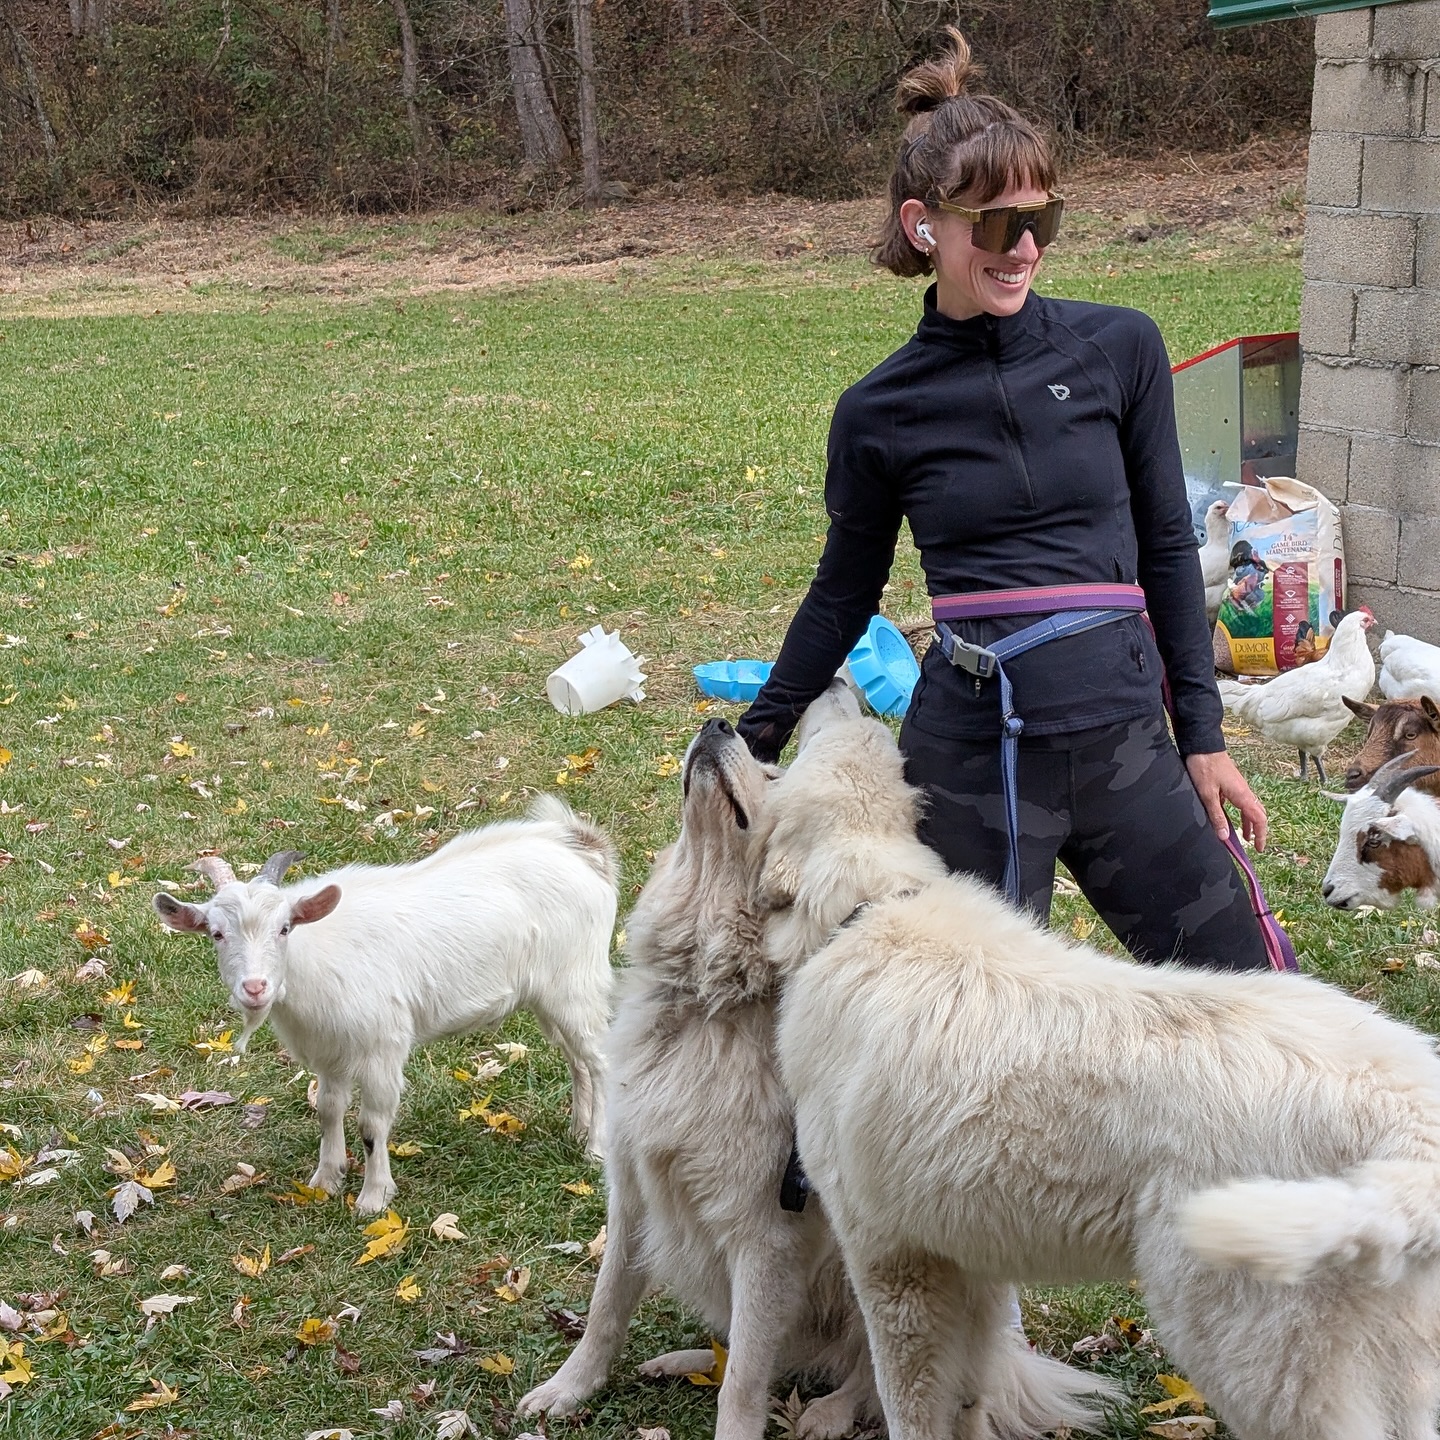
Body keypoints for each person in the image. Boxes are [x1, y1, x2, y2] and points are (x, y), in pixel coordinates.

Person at [737, 27, 1270, 972]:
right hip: (972, 756)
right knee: (950, 1024)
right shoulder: (879, 410)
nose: (1022, 248)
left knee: (1247, 1001)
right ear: (924, 225)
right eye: (992, 225)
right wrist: (754, 744)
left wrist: (1203, 736)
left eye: (1041, 220)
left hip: (1121, 737)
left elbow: (1165, 544)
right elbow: (844, 594)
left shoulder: (1119, 348)